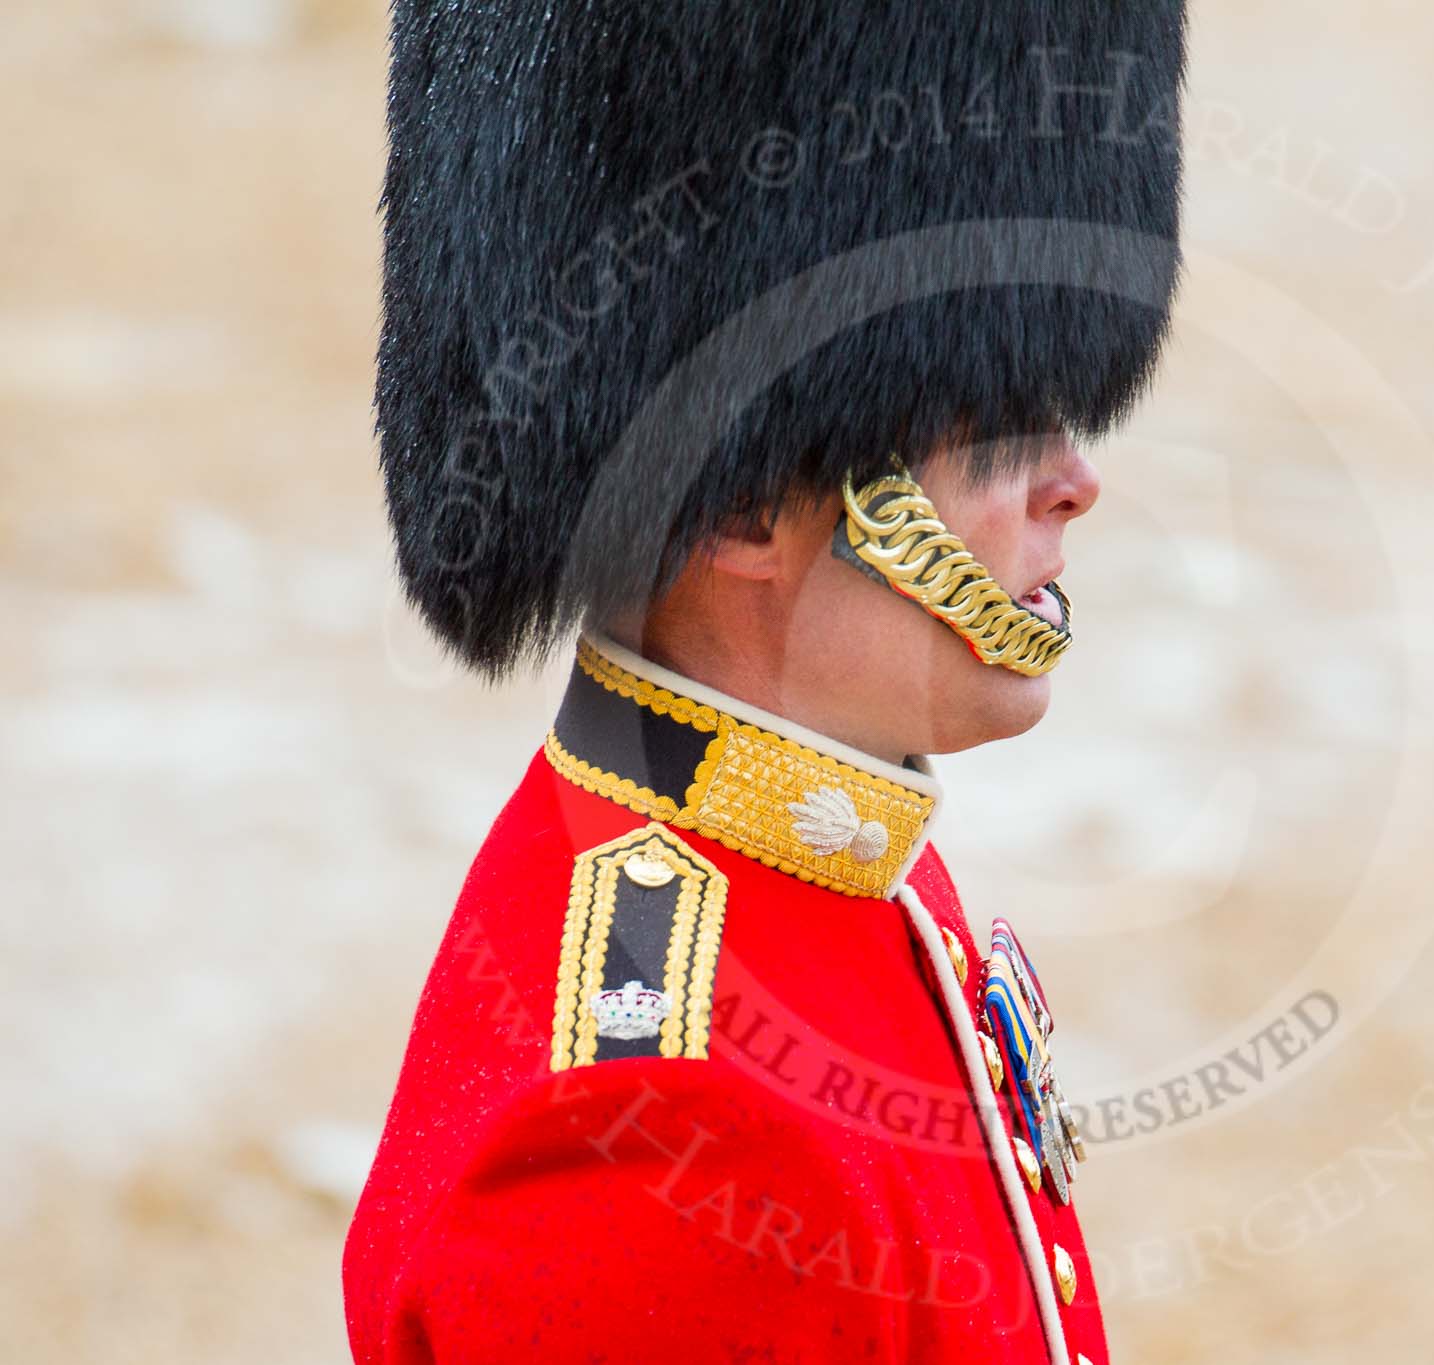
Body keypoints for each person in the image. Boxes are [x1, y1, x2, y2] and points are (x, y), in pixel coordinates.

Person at [342, 3, 1189, 1362]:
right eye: (999, 424)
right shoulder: (667, 1150)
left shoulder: (837, 849)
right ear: (737, 502)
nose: (1074, 480)